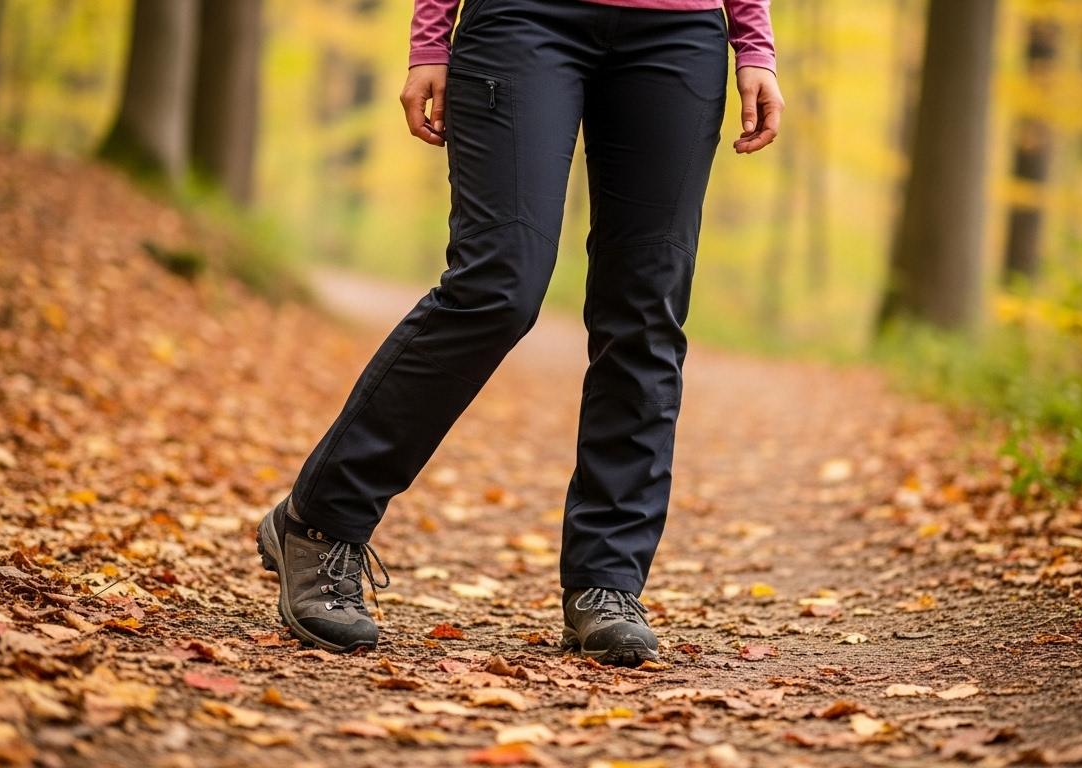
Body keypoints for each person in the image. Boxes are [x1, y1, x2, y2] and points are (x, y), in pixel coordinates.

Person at [258, 0, 781, 667]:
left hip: (679, 32)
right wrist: (429, 38)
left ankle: (607, 581)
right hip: (524, 18)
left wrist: (754, 41)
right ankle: (320, 519)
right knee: (498, 283)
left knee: (647, 308)